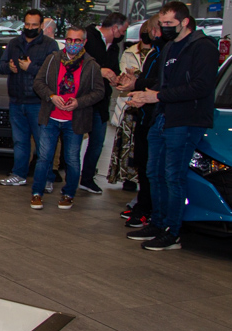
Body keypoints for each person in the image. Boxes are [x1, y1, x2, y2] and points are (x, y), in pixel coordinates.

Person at [123, 1, 217, 251]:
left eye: (169, 23)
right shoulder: (170, 47)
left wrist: (157, 96)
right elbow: (163, 84)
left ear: (184, 22)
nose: (164, 28)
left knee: (173, 177)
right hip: (163, 117)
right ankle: (158, 222)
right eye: (162, 23)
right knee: (154, 172)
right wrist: (145, 96)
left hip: (186, 120)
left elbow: (200, 87)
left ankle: (172, 231)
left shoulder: (203, 48)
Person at [29, 26, 104, 210]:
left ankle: (68, 194)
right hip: (51, 117)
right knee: (44, 157)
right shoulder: (52, 60)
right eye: (69, 40)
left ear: (84, 42)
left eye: (77, 41)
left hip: (74, 120)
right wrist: (51, 96)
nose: (72, 44)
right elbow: (38, 83)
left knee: (72, 159)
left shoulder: (91, 65)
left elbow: (99, 92)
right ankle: (37, 193)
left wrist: (79, 102)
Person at [0, 8, 58, 186]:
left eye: (34, 25)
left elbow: (52, 74)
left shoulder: (49, 45)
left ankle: (47, 178)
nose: (30, 28)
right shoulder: (14, 43)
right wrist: (9, 67)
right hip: (16, 100)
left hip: (38, 102)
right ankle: (19, 174)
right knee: (20, 142)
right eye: (27, 24)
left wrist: (30, 68)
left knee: (43, 144)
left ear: (41, 26)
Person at [115, 17, 163, 228]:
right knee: (143, 165)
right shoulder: (154, 53)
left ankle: (149, 209)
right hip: (144, 115)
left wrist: (138, 82)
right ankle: (142, 204)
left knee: (151, 168)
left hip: (155, 116)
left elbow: (161, 82)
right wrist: (135, 82)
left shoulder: (165, 53)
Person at [79, 12, 128, 194]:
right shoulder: (88, 38)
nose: (123, 34)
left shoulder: (113, 48)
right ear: (114, 28)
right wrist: (100, 71)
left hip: (101, 102)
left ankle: (87, 178)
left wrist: (118, 79)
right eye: (123, 30)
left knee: (98, 142)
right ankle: (71, 176)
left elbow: (113, 70)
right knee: (74, 142)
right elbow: (76, 64)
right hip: (82, 100)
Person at [108, 16, 156, 190]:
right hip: (130, 103)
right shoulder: (130, 52)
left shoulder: (158, 53)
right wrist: (131, 78)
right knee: (127, 143)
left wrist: (138, 78)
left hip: (149, 103)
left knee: (143, 145)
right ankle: (127, 177)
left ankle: (141, 180)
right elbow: (122, 76)